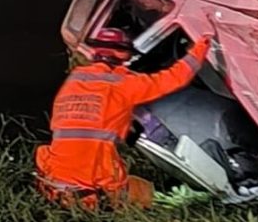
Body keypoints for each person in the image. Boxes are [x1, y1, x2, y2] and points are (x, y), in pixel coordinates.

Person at [35, 27, 213, 210]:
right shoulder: (123, 85)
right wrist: (201, 47)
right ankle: (182, 200)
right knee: (145, 192)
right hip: (86, 185)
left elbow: (93, 118)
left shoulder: (75, 80)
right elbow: (174, 78)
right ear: (121, 53)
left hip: (54, 179)